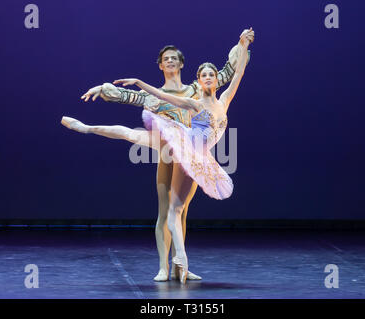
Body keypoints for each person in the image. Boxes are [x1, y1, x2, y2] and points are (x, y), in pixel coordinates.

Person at [61, 28, 253, 283]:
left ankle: (180, 267)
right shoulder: (163, 98)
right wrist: (105, 88)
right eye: (166, 59)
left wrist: (241, 44)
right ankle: (164, 266)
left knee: (181, 212)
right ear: (161, 65)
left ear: (183, 64)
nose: (171, 61)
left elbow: (231, 73)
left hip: (195, 155)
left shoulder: (196, 90)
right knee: (166, 210)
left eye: (175, 58)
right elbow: (129, 95)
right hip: (171, 145)